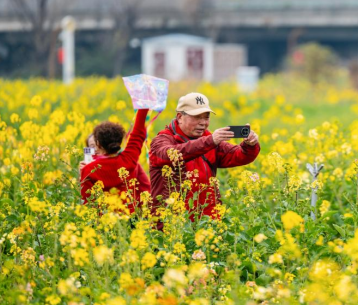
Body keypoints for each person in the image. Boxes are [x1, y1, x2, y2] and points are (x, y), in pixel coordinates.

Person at [149, 92, 260, 220]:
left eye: (206, 117)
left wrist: (250, 144)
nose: (203, 123)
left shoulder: (209, 139)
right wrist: (209, 141)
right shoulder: (161, 140)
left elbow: (240, 155)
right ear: (179, 117)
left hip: (208, 224)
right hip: (174, 224)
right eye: (197, 117)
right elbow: (170, 154)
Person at [80, 109, 151, 213]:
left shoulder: (88, 170)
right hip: (131, 220)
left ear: (98, 144)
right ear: (119, 141)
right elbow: (138, 132)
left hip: (106, 223)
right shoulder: (129, 159)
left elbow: (87, 203)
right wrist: (144, 106)